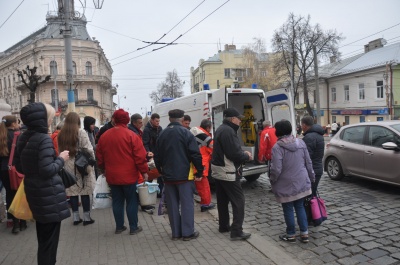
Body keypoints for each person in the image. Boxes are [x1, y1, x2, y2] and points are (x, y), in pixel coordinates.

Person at [15, 103, 70, 265]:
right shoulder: (43, 139)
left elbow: (19, 167)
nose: (51, 120)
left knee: (44, 239)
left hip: (35, 192)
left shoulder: (24, 137)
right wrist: (61, 159)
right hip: (49, 196)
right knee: (49, 243)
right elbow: (47, 170)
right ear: (42, 119)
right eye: (50, 117)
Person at [96, 109, 149, 235]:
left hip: (112, 175)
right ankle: (133, 227)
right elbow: (140, 157)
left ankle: (119, 226)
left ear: (114, 119)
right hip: (129, 175)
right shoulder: (132, 136)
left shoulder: (104, 136)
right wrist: (144, 171)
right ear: (127, 120)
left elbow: (99, 156)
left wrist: (103, 169)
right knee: (131, 200)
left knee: (117, 201)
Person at [154, 109, 203, 241]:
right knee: (187, 204)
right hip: (184, 175)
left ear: (169, 119)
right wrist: (200, 170)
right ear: (182, 120)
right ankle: (187, 233)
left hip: (168, 176)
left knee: (172, 205)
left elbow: (157, 156)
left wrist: (161, 170)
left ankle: (176, 232)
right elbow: (195, 154)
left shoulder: (162, 134)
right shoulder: (186, 133)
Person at [270, 120, 315, 244]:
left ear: (277, 132)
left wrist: (272, 180)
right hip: (301, 181)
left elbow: (276, 168)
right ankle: (304, 233)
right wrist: (312, 177)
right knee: (300, 206)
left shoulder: (277, 147)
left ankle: (291, 234)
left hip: (285, 183)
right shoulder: (300, 142)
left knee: (288, 208)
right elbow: (308, 162)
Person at [211, 107, 252, 241]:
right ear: (233, 119)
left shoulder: (221, 129)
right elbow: (233, 154)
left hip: (218, 170)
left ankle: (224, 226)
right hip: (227, 171)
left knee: (222, 200)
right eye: (239, 119)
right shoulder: (228, 131)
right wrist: (246, 155)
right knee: (239, 201)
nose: (240, 121)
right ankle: (236, 231)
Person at [58, 112, 96, 226]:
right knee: (84, 190)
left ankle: (75, 218)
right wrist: (92, 161)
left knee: (72, 191)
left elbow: (60, 150)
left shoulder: (61, 134)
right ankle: (86, 218)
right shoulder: (81, 132)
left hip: (68, 163)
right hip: (82, 164)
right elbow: (88, 148)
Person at [0, 115, 26, 234]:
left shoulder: (1, 136)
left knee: (9, 194)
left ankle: (13, 221)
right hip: (17, 168)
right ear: (14, 124)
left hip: (4, 169)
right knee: (20, 194)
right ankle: (22, 222)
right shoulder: (18, 135)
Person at [127, 113, 156, 215]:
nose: (142, 124)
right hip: (135, 163)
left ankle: (143, 203)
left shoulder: (136, 131)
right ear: (134, 123)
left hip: (137, 161)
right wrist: (146, 156)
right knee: (140, 182)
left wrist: (146, 154)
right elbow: (137, 149)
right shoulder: (133, 133)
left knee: (140, 182)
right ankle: (143, 204)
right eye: (140, 123)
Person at [190, 119, 215, 212]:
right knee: (204, 186)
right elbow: (214, 149)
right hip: (201, 164)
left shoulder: (193, 132)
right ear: (208, 127)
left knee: (199, 185)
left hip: (194, 163)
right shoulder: (205, 137)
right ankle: (205, 204)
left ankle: (205, 203)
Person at [301, 116, 325, 195]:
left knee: (308, 195)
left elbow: (306, 157)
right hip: (317, 168)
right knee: (312, 193)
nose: (301, 127)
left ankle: (312, 207)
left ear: (304, 125)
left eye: (301, 125)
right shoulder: (318, 135)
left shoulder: (309, 137)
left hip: (311, 170)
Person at [142, 113, 163, 193]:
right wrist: (148, 153)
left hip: (158, 154)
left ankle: (160, 191)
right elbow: (145, 143)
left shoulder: (159, 128)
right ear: (152, 120)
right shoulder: (147, 130)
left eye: (159, 121)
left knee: (159, 173)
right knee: (151, 173)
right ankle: (149, 191)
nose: (158, 123)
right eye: (156, 121)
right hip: (150, 154)